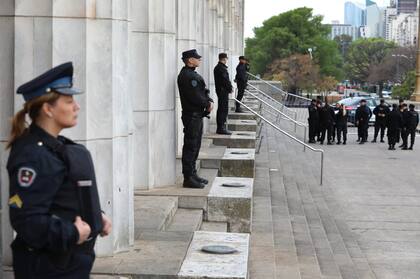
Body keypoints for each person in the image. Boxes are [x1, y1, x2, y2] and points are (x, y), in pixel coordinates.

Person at [6, 62, 112, 279]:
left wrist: (95, 216)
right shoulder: (32, 155)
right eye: (69, 100)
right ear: (48, 109)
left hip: (66, 263)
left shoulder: (57, 147)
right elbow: (28, 220)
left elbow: (61, 199)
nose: (77, 107)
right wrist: (73, 233)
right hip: (48, 267)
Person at [178, 49, 214, 188]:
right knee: (191, 146)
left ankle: (192, 174)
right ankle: (188, 178)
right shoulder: (188, 76)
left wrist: (208, 100)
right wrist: (206, 104)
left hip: (196, 115)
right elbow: (195, 96)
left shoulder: (191, 74)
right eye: (196, 58)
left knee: (196, 145)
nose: (199, 60)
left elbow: (202, 91)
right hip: (192, 115)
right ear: (190, 60)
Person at [214, 53, 233, 135]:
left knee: (222, 108)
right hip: (223, 91)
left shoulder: (219, 67)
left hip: (222, 90)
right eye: (226, 59)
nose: (226, 60)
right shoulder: (221, 68)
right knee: (223, 109)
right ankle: (221, 127)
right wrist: (230, 88)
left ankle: (221, 126)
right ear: (224, 59)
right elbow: (225, 80)